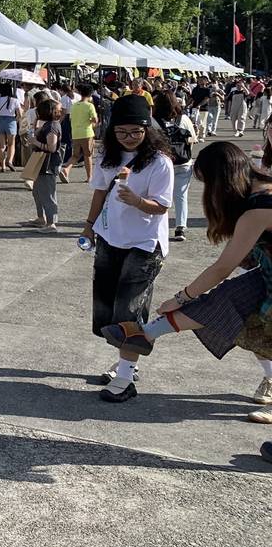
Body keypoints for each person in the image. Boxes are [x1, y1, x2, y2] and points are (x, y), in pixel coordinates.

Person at [95, 143, 272, 433]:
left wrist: (182, 297)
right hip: (266, 273)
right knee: (228, 299)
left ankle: (145, 334)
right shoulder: (260, 187)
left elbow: (222, 267)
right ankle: (147, 334)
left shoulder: (259, 209)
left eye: (208, 184)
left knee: (253, 321)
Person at [79, 94, 174, 402]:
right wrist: (89, 227)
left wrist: (138, 202)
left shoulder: (160, 162)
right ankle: (124, 363)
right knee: (107, 310)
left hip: (145, 245)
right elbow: (98, 194)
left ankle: (125, 378)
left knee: (129, 311)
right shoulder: (109, 156)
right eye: (122, 132)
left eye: (136, 132)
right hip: (110, 238)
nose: (129, 138)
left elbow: (161, 207)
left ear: (148, 130)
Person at [153, 91, 198, 243]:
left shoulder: (153, 120)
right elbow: (193, 139)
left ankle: (158, 226)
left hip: (161, 163)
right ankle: (180, 227)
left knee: (158, 195)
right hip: (183, 162)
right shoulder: (183, 118)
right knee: (181, 196)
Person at [27, 99, 62, 233]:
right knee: (38, 191)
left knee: (47, 194)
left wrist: (35, 142)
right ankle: (41, 218)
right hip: (42, 163)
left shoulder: (52, 126)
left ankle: (51, 223)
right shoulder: (49, 124)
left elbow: (52, 148)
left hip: (47, 163)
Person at [63, 82, 99, 184]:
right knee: (88, 155)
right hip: (87, 133)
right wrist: (92, 122)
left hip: (75, 133)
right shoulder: (89, 106)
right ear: (90, 94)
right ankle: (89, 177)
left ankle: (66, 169)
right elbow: (95, 120)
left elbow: (70, 118)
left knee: (75, 155)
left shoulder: (74, 106)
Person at [0, 83, 22, 172]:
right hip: (11, 121)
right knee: (11, 144)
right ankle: (9, 161)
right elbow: (20, 114)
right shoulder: (15, 100)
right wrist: (15, 121)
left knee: (2, 145)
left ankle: (3, 165)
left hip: (0, 121)